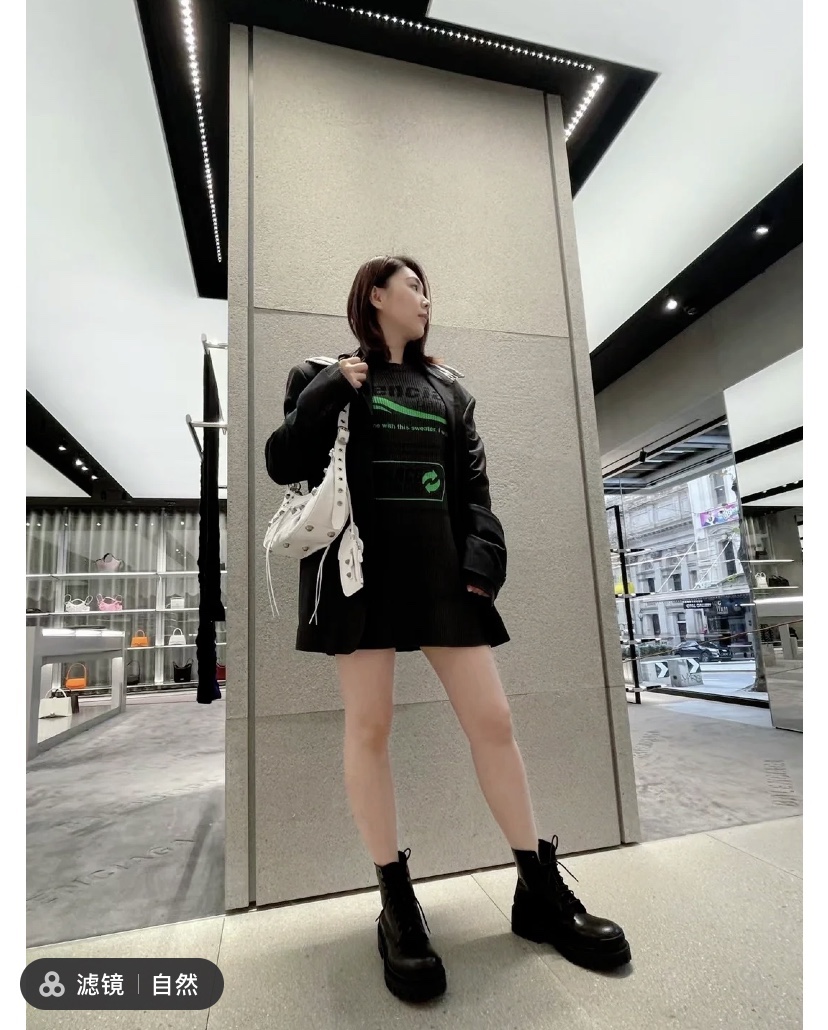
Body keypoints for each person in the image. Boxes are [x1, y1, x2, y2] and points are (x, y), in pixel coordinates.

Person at [264, 255, 630, 1002]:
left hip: (440, 575)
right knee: (370, 727)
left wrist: (481, 563)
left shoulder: (449, 390)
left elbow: (476, 490)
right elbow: (283, 462)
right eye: (414, 287)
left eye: (428, 288)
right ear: (376, 295)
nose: (427, 299)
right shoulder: (320, 375)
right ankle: (396, 905)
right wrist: (333, 387)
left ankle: (537, 890)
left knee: (493, 721)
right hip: (361, 576)